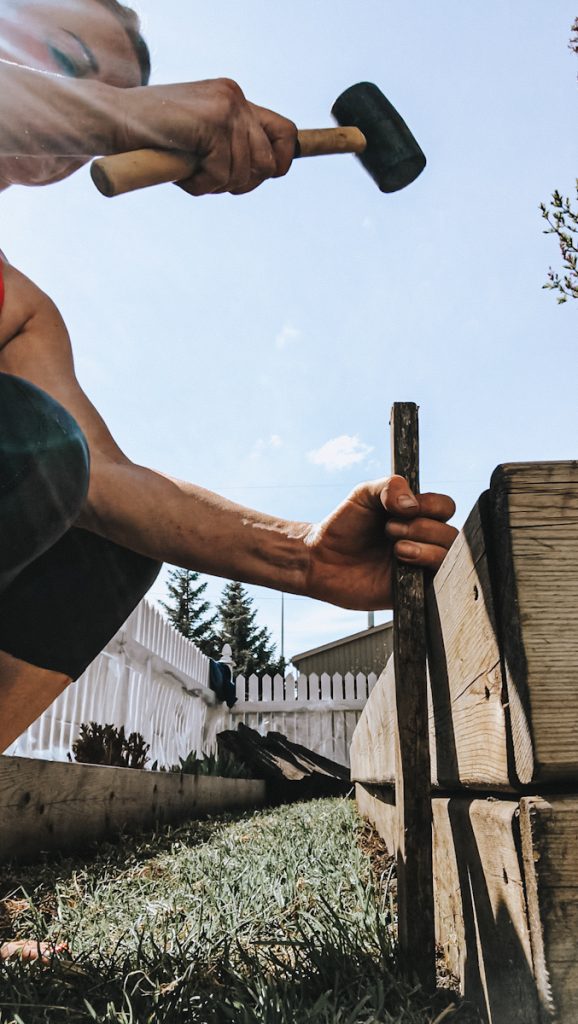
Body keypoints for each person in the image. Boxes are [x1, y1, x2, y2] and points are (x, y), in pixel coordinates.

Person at [0, 0, 458, 962]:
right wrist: (149, 115)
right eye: (72, 62)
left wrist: (312, 564)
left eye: (115, 88)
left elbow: (104, 486)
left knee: (93, 528)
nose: (96, 102)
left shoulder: (18, 314)